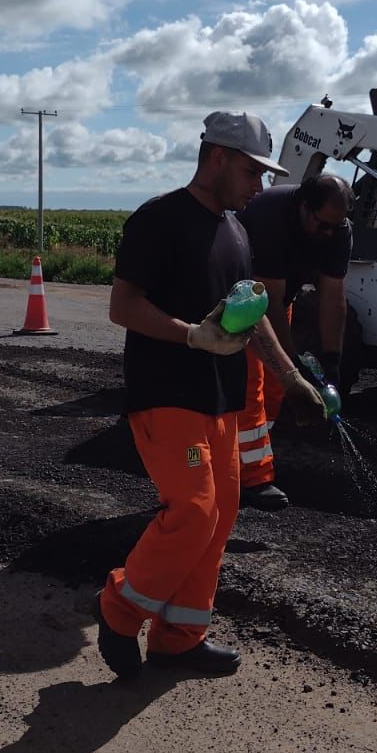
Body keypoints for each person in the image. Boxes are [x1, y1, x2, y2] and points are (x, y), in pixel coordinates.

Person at [96, 111, 328, 680]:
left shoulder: (237, 229)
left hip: (221, 402)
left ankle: (180, 638)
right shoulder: (159, 219)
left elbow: (253, 314)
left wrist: (291, 378)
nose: (260, 185)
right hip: (166, 396)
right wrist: (192, 336)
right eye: (253, 171)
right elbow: (122, 306)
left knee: (220, 518)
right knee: (195, 510)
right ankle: (119, 610)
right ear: (217, 157)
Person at [233, 173, 354, 511]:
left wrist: (332, 360)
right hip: (242, 304)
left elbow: (333, 298)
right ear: (304, 208)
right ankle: (251, 479)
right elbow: (265, 303)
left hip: (277, 301)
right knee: (251, 384)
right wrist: (293, 371)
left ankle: (247, 457)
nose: (329, 233)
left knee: (274, 388)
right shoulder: (272, 217)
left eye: (336, 226)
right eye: (323, 225)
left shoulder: (338, 229)